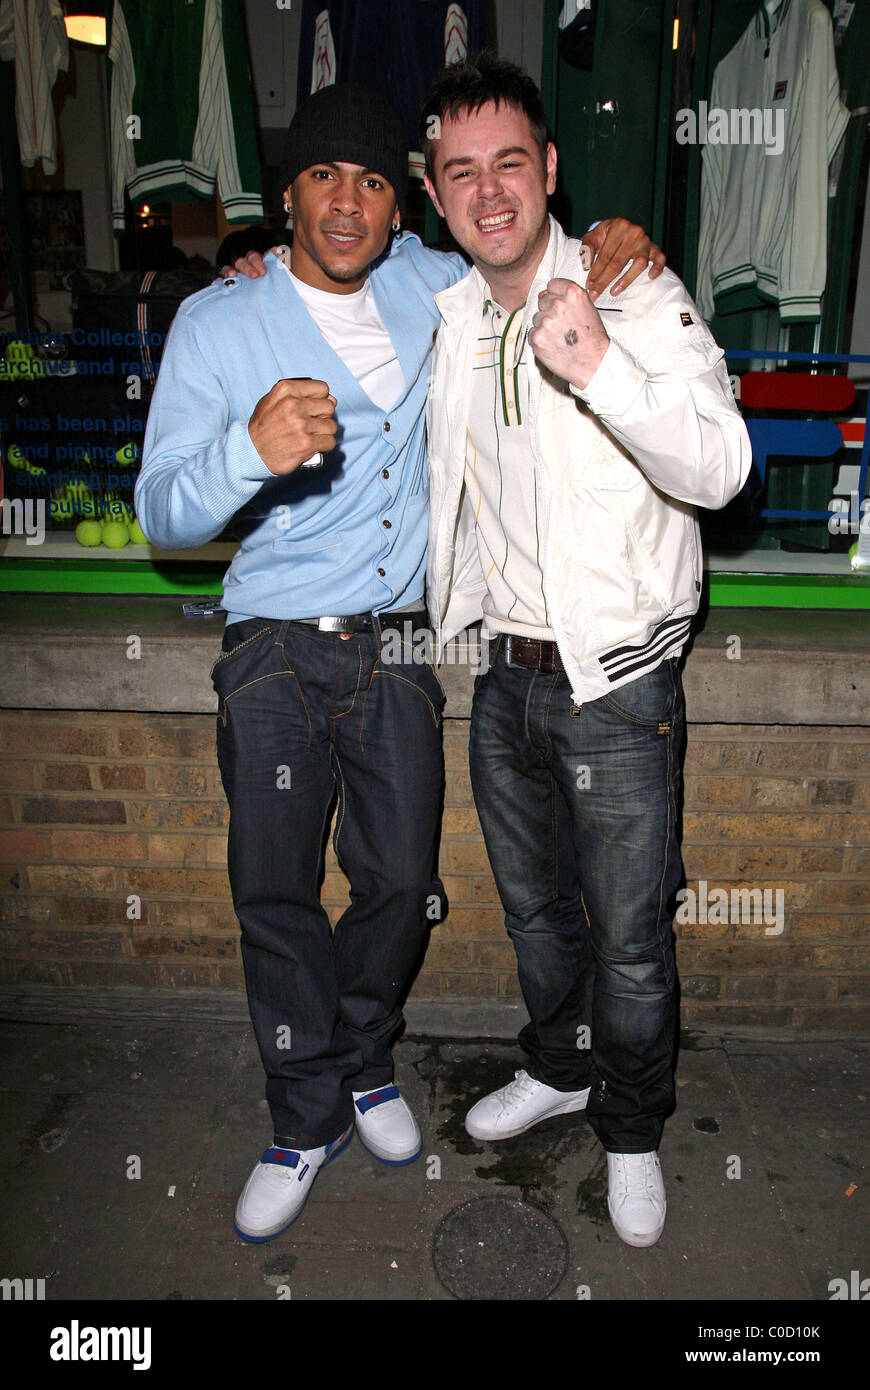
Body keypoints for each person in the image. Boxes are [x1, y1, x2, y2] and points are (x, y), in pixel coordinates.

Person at [136, 80, 665, 1245]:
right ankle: (299, 1112)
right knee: (274, 894)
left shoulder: (434, 288)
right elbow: (162, 513)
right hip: (271, 647)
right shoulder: (219, 322)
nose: (346, 203)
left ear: (402, 204)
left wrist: (621, 237)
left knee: (396, 882)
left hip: (403, 645)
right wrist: (243, 450)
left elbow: (528, 247)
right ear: (287, 194)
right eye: (323, 175)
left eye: (373, 180)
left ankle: (365, 1058)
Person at [418, 52, 752, 1248]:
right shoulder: (446, 310)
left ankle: (631, 1123)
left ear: (549, 169)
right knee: (536, 916)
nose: (490, 191)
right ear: (436, 192)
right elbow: (322, 266)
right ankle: (559, 1068)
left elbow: (724, 467)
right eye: (462, 172)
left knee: (628, 935)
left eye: (512, 161)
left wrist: (600, 361)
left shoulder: (633, 291)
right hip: (502, 678)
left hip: (618, 686)